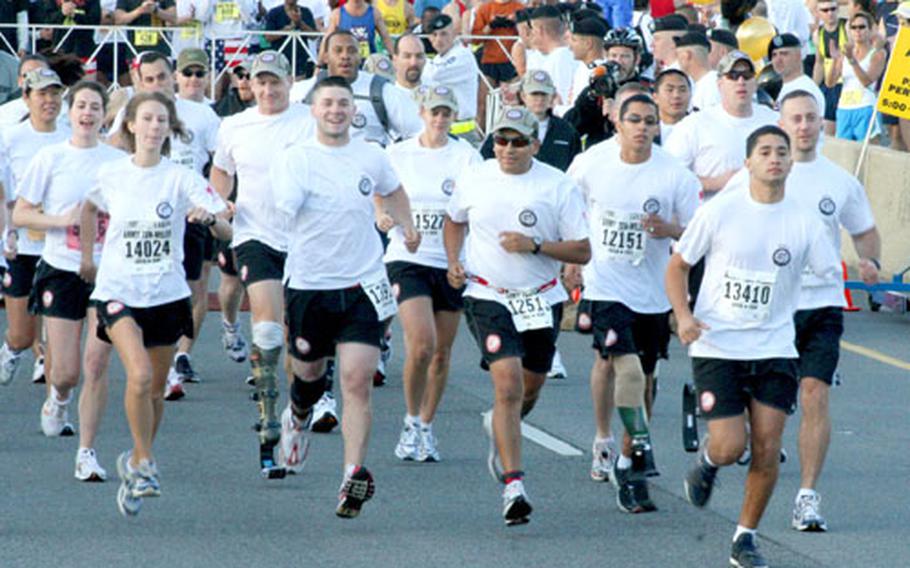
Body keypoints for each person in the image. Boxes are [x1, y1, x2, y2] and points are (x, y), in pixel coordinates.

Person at [666, 125, 839, 568]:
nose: (775, 158)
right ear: (748, 162)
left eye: (782, 152)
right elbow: (678, 265)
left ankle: (745, 537)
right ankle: (707, 462)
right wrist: (684, 317)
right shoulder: (721, 211)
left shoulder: (804, 220)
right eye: (765, 152)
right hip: (718, 345)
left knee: (765, 445)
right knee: (729, 445)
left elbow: (826, 277)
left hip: (775, 347)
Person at [725, 91, 880, 532]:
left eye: (812, 118)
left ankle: (807, 496)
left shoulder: (839, 181)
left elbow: (865, 231)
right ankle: (737, 439)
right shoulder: (756, 174)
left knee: (814, 393)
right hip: (769, 305)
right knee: (760, 405)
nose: (805, 126)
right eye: (796, 118)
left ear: (821, 123)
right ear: (782, 121)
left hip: (822, 304)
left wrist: (869, 261)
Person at [271, 75, 420, 517]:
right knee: (310, 377)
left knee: (356, 380)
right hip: (309, 286)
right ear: (313, 110)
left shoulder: (370, 155)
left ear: (353, 111)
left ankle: (352, 474)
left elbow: (392, 190)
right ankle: (296, 417)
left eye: (342, 103)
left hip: (362, 283)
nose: (336, 110)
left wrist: (408, 226)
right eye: (327, 103)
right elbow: (284, 208)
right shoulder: (295, 159)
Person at [81, 90, 231, 516]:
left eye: (161, 121)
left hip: (166, 294)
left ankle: (133, 460)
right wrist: (90, 259)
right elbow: (87, 210)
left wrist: (209, 218)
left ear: (170, 128)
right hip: (117, 291)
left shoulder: (179, 177)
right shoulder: (111, 174)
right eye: (146, 119)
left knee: (154, 393)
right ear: (130, 125)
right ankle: (145, 464)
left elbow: (224, 227)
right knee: (140, 375)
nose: (153, 127)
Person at [444, 106, 591, 525]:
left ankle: (502, 425)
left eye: (518, 141)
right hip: (487, 293)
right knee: (506, 384)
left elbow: (582, 250)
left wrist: (536, 245)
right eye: (501, 140)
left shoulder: (557, 186)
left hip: (541, 298)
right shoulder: (477, 175)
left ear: (536, 145)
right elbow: (454, 221)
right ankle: (514, 485)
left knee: (530, 387)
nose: (508, 149)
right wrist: (454, 260)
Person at [568, 93, 699, 513]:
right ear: (617, 124)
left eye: (649, 121)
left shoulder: (674, 174)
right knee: (619, 364)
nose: (642, 127)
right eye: (635, 120)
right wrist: (570, 262)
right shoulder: (592, 163)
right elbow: (566, 207)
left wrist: (668, 228)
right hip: (605, 284)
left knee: (643, 374)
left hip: (652, 290)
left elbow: (696, 235)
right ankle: (621, 446)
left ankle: (625, 456)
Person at [11, 81, 123, 479]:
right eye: (81, 107)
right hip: (61, 268)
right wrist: (65, 220)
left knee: (96, 363)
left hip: (108, 272)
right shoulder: (51, 157)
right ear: (69, 112)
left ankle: (87, 452)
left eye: (96, 107)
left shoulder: (117, 161)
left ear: (104, 113)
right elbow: (22, 214)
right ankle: (57, 398)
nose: (88, 114)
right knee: (66, 372)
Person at [211, 51, 315, 472]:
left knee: (304, 344)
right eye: (261, 83)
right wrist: (219, 206)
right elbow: (221, 173)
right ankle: (267, 426)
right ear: (249, 86)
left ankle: (297, 414)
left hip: (306, 239)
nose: (269, 90)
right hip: (256, 234)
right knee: (269, 330)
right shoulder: (235, 125)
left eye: (276, 82)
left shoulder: (309, 120)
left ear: (289, 83)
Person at [386, 86, 480, 463]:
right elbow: (382, 191)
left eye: (446, 113)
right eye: (434, 112)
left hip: (449, 261)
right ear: (421, 113)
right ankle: (409, 419)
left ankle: (426, 424)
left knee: (441, 354)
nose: (440, 120)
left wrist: (461, 258)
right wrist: (387, 217)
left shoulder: (466, 157)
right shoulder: (398, 152)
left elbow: (473, 210)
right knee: (421, 343)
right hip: (407, 257)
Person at [0, 69, 70, 388]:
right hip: (22, 243)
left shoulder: (71, 137)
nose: (49, 101)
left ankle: (56, 402)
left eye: (55, 94)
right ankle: (12, 350)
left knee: (58, 332)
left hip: (60, 247)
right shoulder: (10, 138)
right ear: (26, 98)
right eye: (42, 94)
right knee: (22, 333)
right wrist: (8, 231)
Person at [665, 51, 779, 200]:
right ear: (720, 84)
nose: (740, 82)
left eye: (747, 75)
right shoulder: (694, 125)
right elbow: (668, 176)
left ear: (755, 83)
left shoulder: (774, 121)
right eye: (732, 76)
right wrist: (714, 183)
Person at [292, 30, 422, 147]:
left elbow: (420, 132)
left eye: (351, 50)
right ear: (325, 56)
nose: (345, 56)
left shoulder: (382, 90)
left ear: (360, 56)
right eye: (338, 50)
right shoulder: (303, 92)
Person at [481, 70, 581, 172]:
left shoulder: (566, 131)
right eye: (534, 94)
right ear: (523, 96)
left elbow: (576, 167)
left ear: (552, 96)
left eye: (544, 94)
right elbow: (486, 160)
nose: (539, 99)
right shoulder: (505, 126)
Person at [828, 11, 886, 141]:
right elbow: (830, 83)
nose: (857, 31)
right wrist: (835, 61)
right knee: (843, 153)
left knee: (867, 152)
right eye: (854, 27)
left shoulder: (877, 54)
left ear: (870, 29)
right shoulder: (845, 54)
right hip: (844, 107)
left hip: (866, 106)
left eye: (862, 27)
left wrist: (852, 60)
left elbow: (867, 81)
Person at [421, 14, 480, 140]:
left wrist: (418, 62)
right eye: (434, 35)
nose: (438, 39)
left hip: (462, 132)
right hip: (440, 129)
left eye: (444, 34)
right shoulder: (438, 59)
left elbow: (434, 75)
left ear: (454, 34)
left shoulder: (463, 56)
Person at [527, 6, 578, 111]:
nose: (530, 35)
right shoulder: (568, 55)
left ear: (540, 30)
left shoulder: (559, 59)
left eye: (532, 29)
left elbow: (560, 101)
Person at [812, 0, 848, 135]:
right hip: (829, 85)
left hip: (846, 84)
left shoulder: (847, 27)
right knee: (828, 130)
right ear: (818, 12)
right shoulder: (818, 33)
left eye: (833, 9)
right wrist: (813, 88)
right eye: (825, 10)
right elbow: (819, 63)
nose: (830, 13)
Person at [769, 33, 826, 112]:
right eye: (774, 55)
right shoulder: (790, 86)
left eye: (784, 54)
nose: (778, 60)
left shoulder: (804, 90)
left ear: (799, 55)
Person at [565, 13, 608, 112]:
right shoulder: (583, 67)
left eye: (574, 40)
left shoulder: (598, 73)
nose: (570, 47)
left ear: (588, 44)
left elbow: (582, 112)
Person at [264, 0, 318, 79]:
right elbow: (268, 37)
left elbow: (313, 36)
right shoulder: (274, 13)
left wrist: (300, 23)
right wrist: (286, 30)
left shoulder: (306, 12)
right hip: (280, 59)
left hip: (300, 60)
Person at [325, 0, 394, 58]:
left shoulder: (374, 13)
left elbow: (386, 38)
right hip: (346, 63)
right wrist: (319, 65)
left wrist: (394, 58)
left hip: (368, 65)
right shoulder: (337, 14)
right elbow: (326, 41)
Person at [675, 31, 720, 111]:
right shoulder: (705, 83)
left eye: (678, 55)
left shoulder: (712, 85)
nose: (677, 61)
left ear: (687, 56)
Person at [653, 68, 691, 141]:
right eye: (669, 90)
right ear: (655, 97)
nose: (676, 95)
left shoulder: (700, 127)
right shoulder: (646, 128)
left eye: (682, 90)